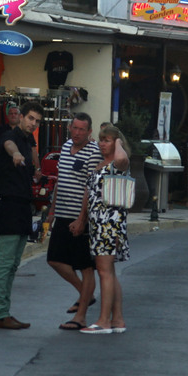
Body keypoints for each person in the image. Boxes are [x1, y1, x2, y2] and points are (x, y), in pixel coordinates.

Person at [0, 102, 43, 330]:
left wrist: (37, 171)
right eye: (30, 118)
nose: (33, 123)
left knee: (13, 264)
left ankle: (4, 312)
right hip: (10, 205)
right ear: (20, 117)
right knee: (5, 262)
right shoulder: (9, 136)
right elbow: (10, 146)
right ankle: (0, 313)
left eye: (37, 121)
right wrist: (16, 154)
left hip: (24, 205)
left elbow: (33, 159)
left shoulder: (29, 140)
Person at [49, 113, 101, 331]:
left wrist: (82, 220)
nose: (78, 133)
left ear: (89, 132)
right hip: (62, 213)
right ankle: (85, 294)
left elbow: (91, 188)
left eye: (82, 129)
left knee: (85, 267)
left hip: (81, 218)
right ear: (70, 128)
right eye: (75, 128)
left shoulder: (94, 151)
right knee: (54, 260)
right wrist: (52, 210)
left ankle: (80, 317)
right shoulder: (66, 146)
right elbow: (61, 179)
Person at [80, 124, 131, 334]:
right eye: (101, 139)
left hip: (109, 223)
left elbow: (121, 158)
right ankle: (117, 319)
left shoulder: (118, 163)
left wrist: (118, 141)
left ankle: (103, 321)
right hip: (98, 223)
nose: (103, 144)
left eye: (108, 140)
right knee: (109, 272)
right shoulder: (100, 164)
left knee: (104, 271)